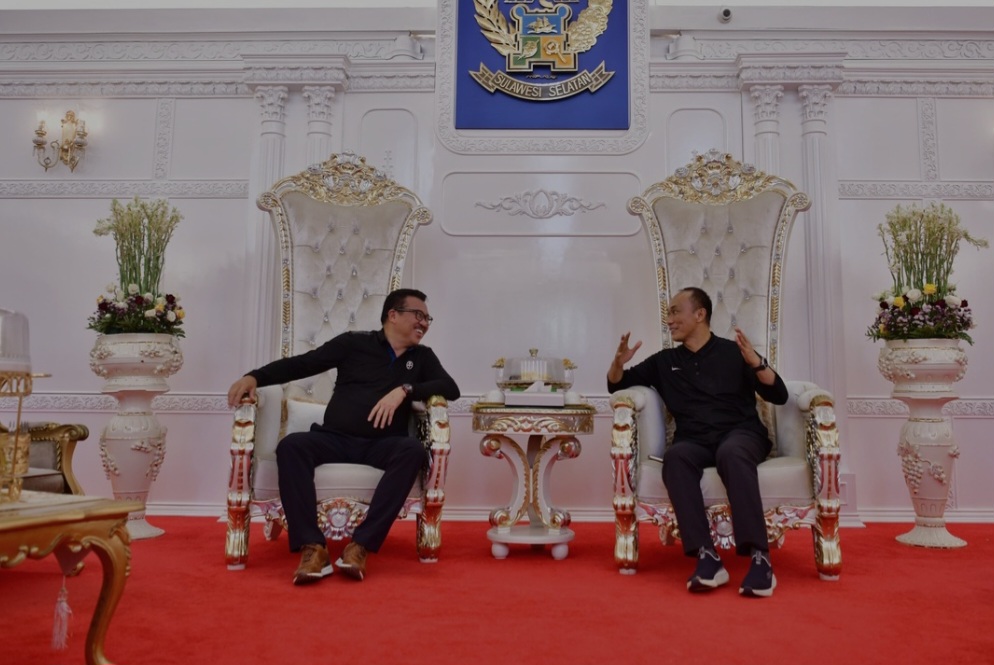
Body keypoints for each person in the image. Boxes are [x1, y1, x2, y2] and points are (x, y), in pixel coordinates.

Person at [227, 288, 460, 585]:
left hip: (382, 445)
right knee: (291, 446)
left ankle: (360, 546)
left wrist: (405, 389)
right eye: (419, 315)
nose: (424, 323)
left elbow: (450, 388)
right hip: (336, 439)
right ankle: (313, 547)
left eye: (428, 319)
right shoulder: (354, 343)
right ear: (393, 315)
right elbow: (303, 364)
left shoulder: (422, 357)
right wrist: (254, 376)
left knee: (412, 450)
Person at [606, 286, 788, 598]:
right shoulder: (664, 361)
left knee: (731, 453)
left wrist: (757, 363)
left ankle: (760, 558)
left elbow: (779, 395)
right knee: (676, 458)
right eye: (669, 313)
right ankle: (707, 557)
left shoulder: (734, 352)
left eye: (676, 311)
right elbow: (616, 385)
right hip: (694, 440)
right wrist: (618, 363)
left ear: (700, 314)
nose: (669, 320)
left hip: (741, 434)